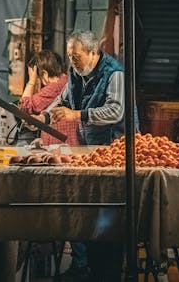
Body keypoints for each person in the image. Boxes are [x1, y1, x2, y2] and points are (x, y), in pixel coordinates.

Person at [50, 30, 139, 281]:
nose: (72, 62)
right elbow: (63, 101)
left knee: (111, 220)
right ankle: (88, 268)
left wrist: (77, 115)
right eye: (69, 56)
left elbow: (116, 111)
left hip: (117, 157)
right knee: (89, 214)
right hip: (92, 156)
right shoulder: (76, 75)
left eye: (76, 56)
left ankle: (109, 273)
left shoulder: (115, 74)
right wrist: (46, 115)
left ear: (92, 52)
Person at [19, 50, 79, 146]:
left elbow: (25, 107)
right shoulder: (67, 81)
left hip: (61, 149)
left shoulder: (55, 87)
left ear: (44, 74)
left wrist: (31, 81)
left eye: (37, 77)